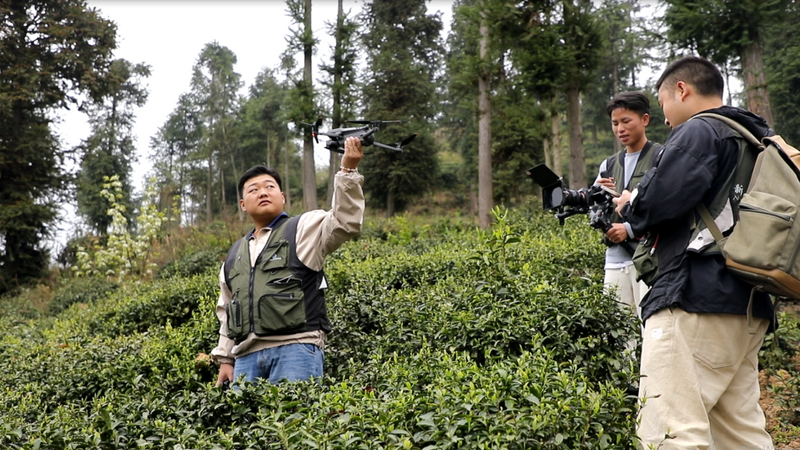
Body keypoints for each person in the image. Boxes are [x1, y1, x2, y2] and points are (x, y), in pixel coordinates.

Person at [613, 56, 774, 449]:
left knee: (670, 432)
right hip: (747, 301)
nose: (666, 118)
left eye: (663, 103)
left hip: (693, 297)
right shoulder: (756, 138)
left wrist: (630, 203)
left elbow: (657, 202)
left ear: (681, 90)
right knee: (739, 434)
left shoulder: (700, 130)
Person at [210, 136, 365, 386]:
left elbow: (345, 222)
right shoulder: (234, 254)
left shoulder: (304, 228)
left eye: (269, 187)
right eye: (253, 189)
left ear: (282, 197)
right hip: (246, 359)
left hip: (297, 349)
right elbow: (228, 310)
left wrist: (348, 171)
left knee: (296, 413)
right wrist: (225, 359)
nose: (262, 192)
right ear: (243, 204)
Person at [594, 91, 661, 341]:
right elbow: (596, 209)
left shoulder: (661, 156)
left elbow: (667, 206)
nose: (620, 129)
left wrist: (629, 229)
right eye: (615, 123)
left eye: (626, 121)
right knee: (617, 336)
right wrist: (597, 199)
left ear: (645, 119)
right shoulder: (608, 165)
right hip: (614, 259)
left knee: (651, 332)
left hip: (650, 260)